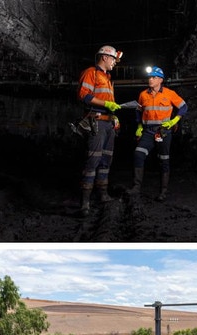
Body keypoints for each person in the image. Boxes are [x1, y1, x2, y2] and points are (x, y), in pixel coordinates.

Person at [129, 66, 187, 202]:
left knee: (164, 160)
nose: (150, 79)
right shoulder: (143, 94)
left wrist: (174, 121)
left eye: (153, 77)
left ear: (160, 80)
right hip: (148, 131)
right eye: (149, 77)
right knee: (138, 154)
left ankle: (163, 192)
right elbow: (138, 111)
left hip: (163, 131)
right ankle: (136, 188)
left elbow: (184, 107)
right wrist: (139, 126)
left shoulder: (169, 93)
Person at [77, 45, 123, 215]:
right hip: (96, 122)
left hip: (108, 123)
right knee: (93, 161)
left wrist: (114, 115)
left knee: (106, 160)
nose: (114, 63)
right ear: (104, 57)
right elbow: (84, 95)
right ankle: (85, 202)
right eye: (113, 59)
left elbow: (107, 100)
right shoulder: (91, 73)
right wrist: (106, 104)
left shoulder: (108, 77)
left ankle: (103, 194)